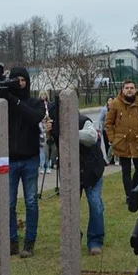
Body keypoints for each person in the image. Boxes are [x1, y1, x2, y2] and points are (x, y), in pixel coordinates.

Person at [0, 67, 45, 258]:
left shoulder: (35, 102)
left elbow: (34, 117)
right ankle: (12, 241)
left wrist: (15, 101)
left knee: (31, 202)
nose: (20, 83)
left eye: (23, 80)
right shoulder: (4, 102)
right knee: (9, 203)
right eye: (16, 80)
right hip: (10, 160)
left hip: (30, 159)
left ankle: (29, 243)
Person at [48, 108, 106, 254]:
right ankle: (73, 238)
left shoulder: (83, 120)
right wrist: (51, 134)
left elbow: (92, 137)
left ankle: (95, 240)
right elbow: (52, 151)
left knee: (95, 204)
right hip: (71, 171)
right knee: (70, 207)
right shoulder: (56, 126)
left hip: (91, 170)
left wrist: (71, 133)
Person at [105, 79, 138, 202]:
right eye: (127, 88)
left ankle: (136, 191)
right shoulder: (115, 103)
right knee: (126, 171)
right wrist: (112, 139)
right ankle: (129, 196)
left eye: (131, 87)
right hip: (122, 142)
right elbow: (108, 123)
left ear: (135, 89)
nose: (129, 90)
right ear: (123, 90)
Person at [98, 97, 114, 165]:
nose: (110, 102)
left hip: (113, 130)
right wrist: (100, 129)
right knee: (107, 144)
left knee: (113, 145)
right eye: (109, 100)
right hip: (105, 130)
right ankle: (109, 159)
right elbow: (101, 119)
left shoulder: (115, 109)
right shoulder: (104, 110)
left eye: (111, 100)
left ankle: (112, 159)